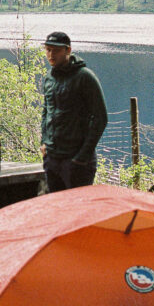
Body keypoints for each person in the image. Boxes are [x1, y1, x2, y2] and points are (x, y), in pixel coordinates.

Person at [40, 31, 108, 193]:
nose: (51, 54)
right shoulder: (50, 77)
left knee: (78, 213)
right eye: (48, 50)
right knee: (57, 210)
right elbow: (46, 112)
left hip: (76, 162)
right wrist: (44, 142)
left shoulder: (84, 77)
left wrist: (82, 156)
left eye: (56, 50)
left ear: (68, 50)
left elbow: (100, 118)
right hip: (52, 159)